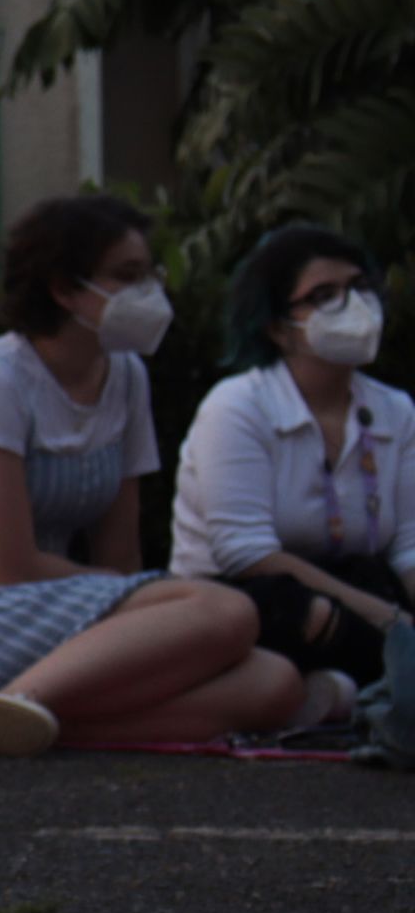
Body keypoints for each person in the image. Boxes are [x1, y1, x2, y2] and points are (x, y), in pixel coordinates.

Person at [0, 193, 304, 755]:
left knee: (274, 683)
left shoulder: (125, 377)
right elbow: (12, 567)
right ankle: (17, 701)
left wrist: (150, 612)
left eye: (151, 274)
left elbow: (119, 558)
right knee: (225, 611)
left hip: (42, 609)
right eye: (127, 276)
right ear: (64, 288)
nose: (150, 292)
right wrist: (157, 604)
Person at [169, 223, 408, 695]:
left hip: (351, 586)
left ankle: (346, 692)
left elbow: (409, 542)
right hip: (238, 597)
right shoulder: (238, 406)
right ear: (279, 328)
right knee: (307, 613)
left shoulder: (394, 410)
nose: (353, 305)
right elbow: (246, 553)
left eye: (360, 288)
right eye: (324, 295)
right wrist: (388, 621)